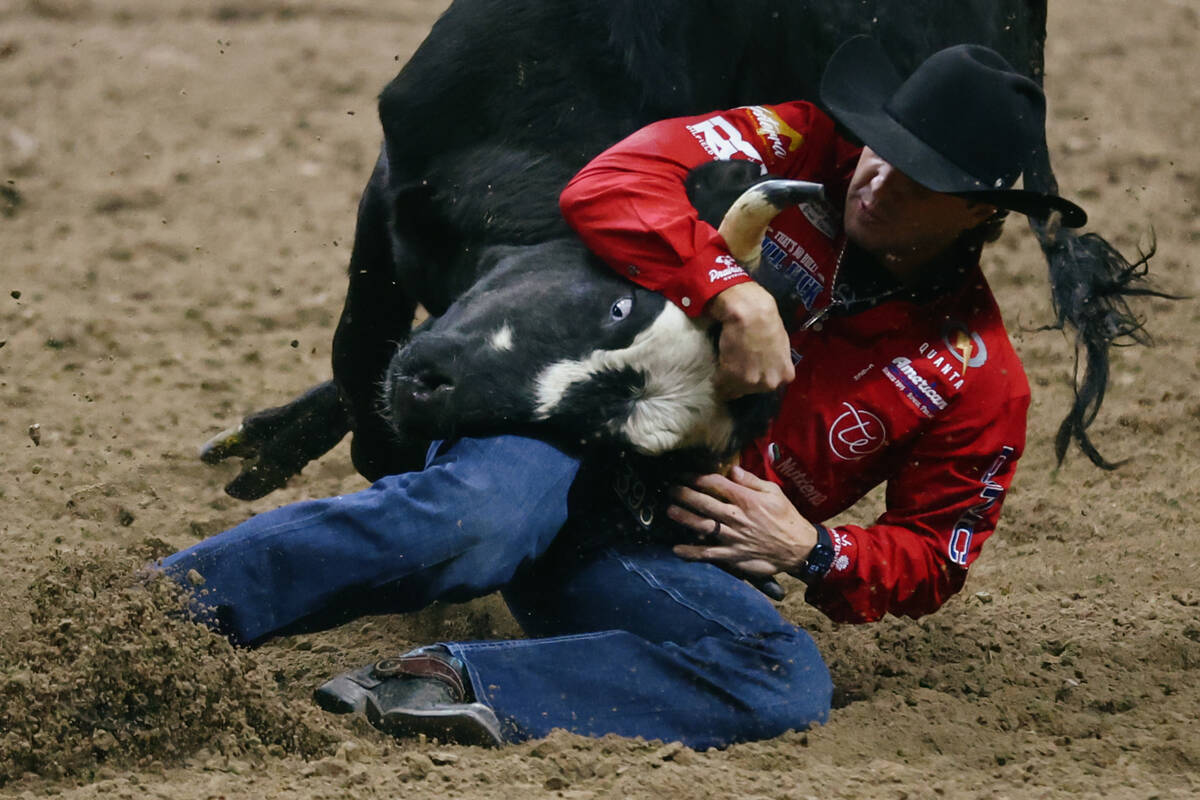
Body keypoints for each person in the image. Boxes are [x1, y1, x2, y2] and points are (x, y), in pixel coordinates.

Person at [161, 38, 1101, 749]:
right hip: (560, 416)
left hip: (654, 534)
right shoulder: (794, 141)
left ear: (983, 214)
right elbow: (612, 182)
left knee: (782, 680)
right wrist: (728, 291)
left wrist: (815, 547)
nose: (877, 174)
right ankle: (166, 613)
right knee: (475, 522)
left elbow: (933, 556)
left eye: (919, 175)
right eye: (882, 144)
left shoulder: (978, 379)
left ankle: (449, 681)